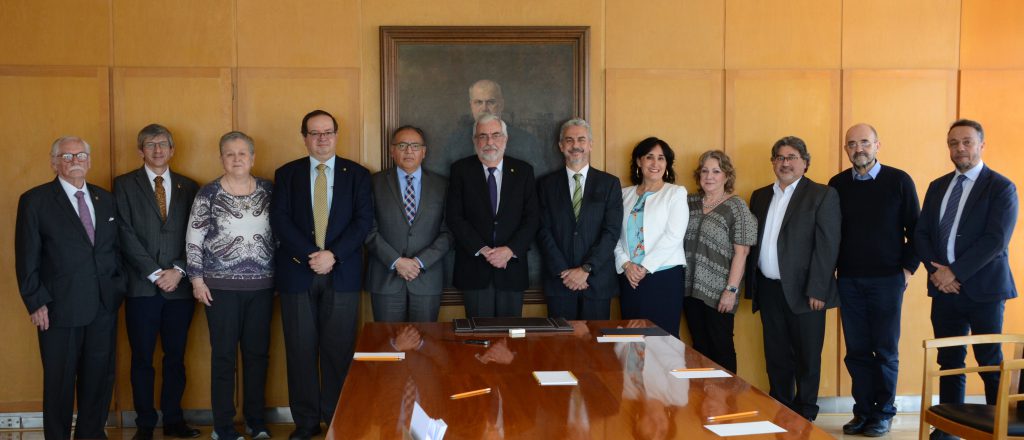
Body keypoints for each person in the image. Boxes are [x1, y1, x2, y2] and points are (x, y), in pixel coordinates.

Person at [270, 109, 373, 440]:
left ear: (336, 135)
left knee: (338, 351)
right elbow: (280, 220)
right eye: (314, 133)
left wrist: (334, 255)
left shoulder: (357, 174)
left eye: (327, 131)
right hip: (298, 273)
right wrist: (310, 256)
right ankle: (305, 422)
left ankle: (336, 418)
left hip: (342, 273)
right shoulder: (287, 174)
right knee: (300, 351)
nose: (322, 138)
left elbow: (363, 222)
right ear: (304, 138)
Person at [15, 136, 127, 440]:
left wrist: (117, 288)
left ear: (89, 161)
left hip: (103, 305)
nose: (74, 160)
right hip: (58, 309)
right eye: (66, 156)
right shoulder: (35, 201)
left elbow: (114, 249)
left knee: (99, 380)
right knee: (60, 382)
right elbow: (27, 257)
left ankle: (91, 434)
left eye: (80, 155)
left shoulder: (106, 199)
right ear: (53, 162)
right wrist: (36, 302)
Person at [914, 119, 1018, 440]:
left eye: (967, 142)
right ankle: (947, 430)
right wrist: (937, 275)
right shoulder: (937, 186)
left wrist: (953, 272)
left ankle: (998, 429)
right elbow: (921, 234)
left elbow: (995, 240)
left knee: (988, 361)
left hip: (984, 291)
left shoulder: (1001, 187)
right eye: (954, 143)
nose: (960, 148)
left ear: (981, 145)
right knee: (949, 361)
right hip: (944, 292)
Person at [828, 124, 920, 437]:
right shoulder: (837, 184)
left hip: (887, 281)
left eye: (864, 142)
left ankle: (883, 413)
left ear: (877, 145)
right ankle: (862, 412)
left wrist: (907, 271)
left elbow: (917, 232)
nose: (859, 149)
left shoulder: (899, 181)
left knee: (884, 352)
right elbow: (831, 235)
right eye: (851, 144)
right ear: (846, 149)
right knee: (856, 352)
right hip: (849, 281)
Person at [113, 124, 201, 440]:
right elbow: (123, 233)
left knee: (176, 358)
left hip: (179, 288)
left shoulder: (190, 187)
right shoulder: (123, 185)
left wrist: (178, 269)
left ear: (173, 149)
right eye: (150, 145)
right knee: (141, 359)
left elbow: (198, 235)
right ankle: (146, 425)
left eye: (163, 144)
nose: (158, 150)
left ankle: (174, 421)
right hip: (141, 288)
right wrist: (153, 272)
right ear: (141, 151)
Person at [186, 131, 274, 440]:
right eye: (230, 154)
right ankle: (223, 427)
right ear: (221, 158)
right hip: (219, 289)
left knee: (257, 356)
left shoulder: (267, 190)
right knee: (223, 356)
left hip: (262, 288)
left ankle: (255, 422)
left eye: (242, 153)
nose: (237, 159)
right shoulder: (208, 193)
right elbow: (194, 239)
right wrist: (196, 280)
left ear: (252, 157)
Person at [745, 135, 840, 421]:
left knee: (807, 357)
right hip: (769, 288)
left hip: (806, 291)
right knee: (775, 354)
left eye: (792, 157)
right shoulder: (760, 196)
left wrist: (819, 289)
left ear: (805, 163)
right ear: (773, 163)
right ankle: (781, 407)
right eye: (780, 158)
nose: (785, 163)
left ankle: (807, 412)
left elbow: (827, 246)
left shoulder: (822, 195)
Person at [446, 114, 540, 318]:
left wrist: (510, 250)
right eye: (483, 136)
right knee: (478, 338)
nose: (490, 142)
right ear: (475, 140)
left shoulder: (523, 171)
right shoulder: (460, 170)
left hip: (512, 269)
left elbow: (532, 218)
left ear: (505, 139)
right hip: (474, 269)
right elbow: (454, 217)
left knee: (510, 341)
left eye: (496, 135)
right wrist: (484, 250)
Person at [537, 119, 623, 320]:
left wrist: (586, 269)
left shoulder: (609, 184)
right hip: (560, 283)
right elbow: (542, 230)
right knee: (559, 349)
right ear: (561, 146)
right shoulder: (545, 185)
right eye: (569, 140)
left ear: (590, 145)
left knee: (595, 348)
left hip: (596, 282)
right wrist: (564, 273)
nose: (575, 146)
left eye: (581, 140)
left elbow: (611, 232)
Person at [366, 125, 452, 322]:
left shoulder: (443, 185)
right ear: (392, 150)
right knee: (388, 344)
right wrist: (396, 261)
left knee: (425, 346)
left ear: (424, 152)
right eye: (402, 145)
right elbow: (367, 228)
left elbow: (449, 232)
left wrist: (419, 263)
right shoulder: (374, 183)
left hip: (427, 279)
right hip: (385, 279)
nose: (409, 151)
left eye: (415, 146)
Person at [682, 150, 757, 374]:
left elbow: (742, 252)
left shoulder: (736, 207)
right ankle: (703, 402)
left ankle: (728, 403)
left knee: (721, 348)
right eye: (705, 171)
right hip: (689, 289)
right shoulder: (689, 202)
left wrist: (731, 290)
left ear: (726, 176)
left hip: (719, 292)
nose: (709, 176)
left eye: (716, 171)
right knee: (699, 348)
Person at [613, 137, 688, 337]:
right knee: (631, 341)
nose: (655, 164)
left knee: (662, 342)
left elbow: (674, 236)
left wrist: (644, 268)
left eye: (661, 158)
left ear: (667, 164)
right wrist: (626, 265)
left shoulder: (675, 193)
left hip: (663, 277)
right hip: (630, 279)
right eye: (649, 157)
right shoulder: (623, 194)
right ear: (639, 161)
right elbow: (614, 235)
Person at [429, 79, 555, 177]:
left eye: (490, 102)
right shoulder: (454, 141)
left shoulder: (527, 142)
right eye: (478, 102)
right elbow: (441, 183)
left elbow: (539, 183)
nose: (484, 108)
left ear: (501, 104)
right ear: (471, 105)